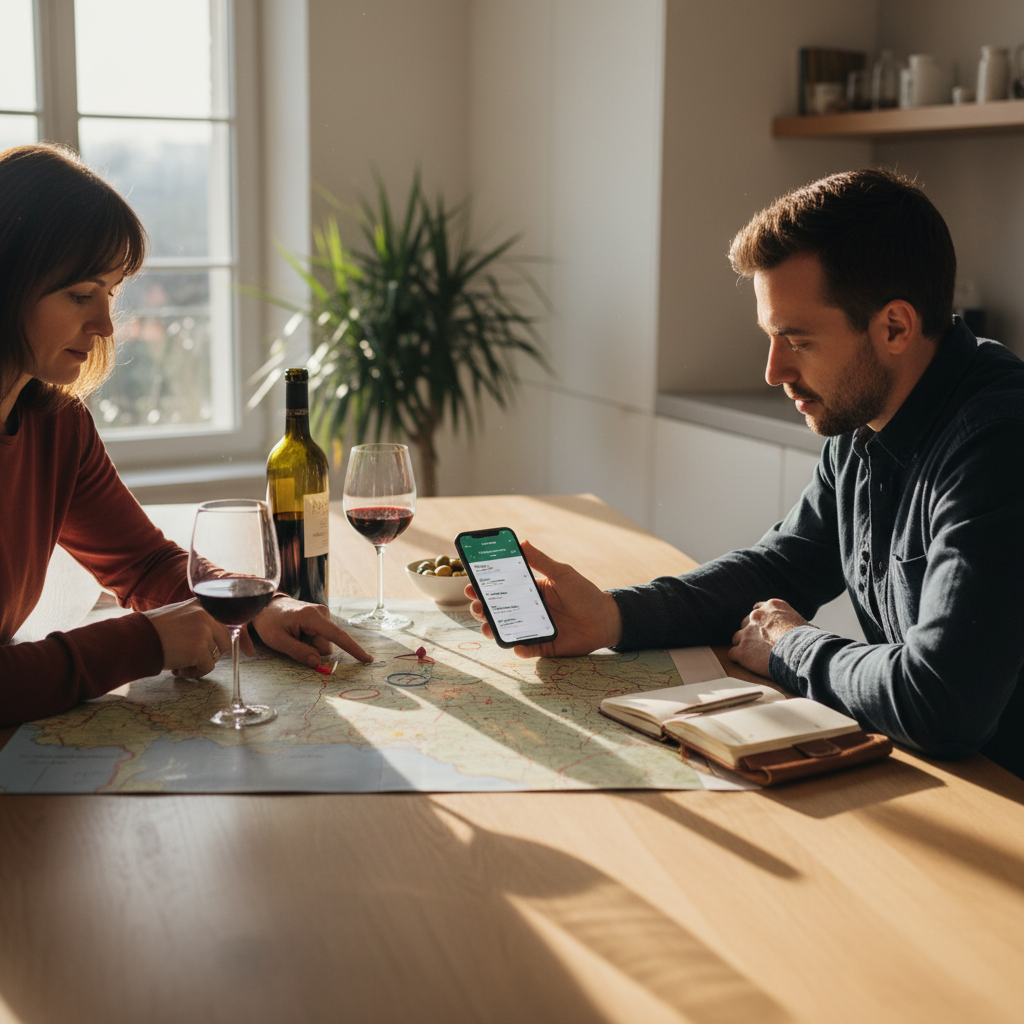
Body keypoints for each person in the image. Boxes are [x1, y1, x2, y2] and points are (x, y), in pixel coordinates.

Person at [468, 168, 1024, 780]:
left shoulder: (998, 441)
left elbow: (943, 703)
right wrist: (611, 616)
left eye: (797, 339)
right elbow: (781, 566)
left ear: (895, 326)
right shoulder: (867, 416)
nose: (773, 370)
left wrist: (791, 646)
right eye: (770, 336)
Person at [0, 143, 371, 728]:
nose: (102, 326)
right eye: (80, 295)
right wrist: (142, 643)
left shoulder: (56, 425)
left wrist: (264, 609)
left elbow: (144, 564)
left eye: (111, 294)